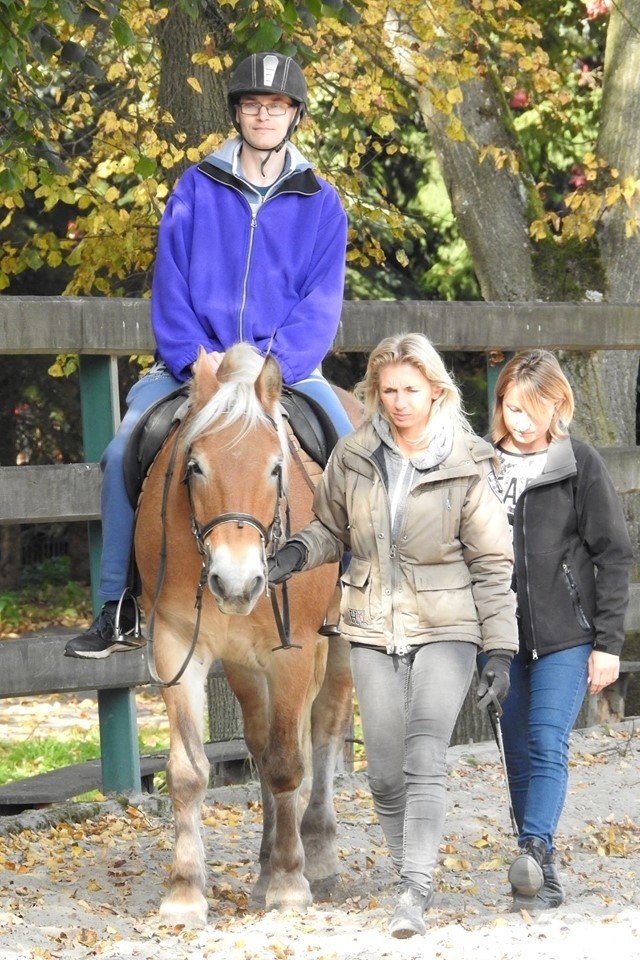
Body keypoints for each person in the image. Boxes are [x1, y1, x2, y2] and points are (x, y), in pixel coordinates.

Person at [65, 51, 351, 660]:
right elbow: (170, 285)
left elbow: (320, 303)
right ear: (238, 113)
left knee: (353, 452)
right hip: (194, 368)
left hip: (284, 372)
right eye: (253, 105)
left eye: (276, 106)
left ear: (294, 115)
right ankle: (117, 605)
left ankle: (356, 591)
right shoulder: (196, 187)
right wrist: (197, 359)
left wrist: (275, 367)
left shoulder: (322, 202)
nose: (264, 115)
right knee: (123, 449)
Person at [267, 333, 518, 938]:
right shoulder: (353, 454)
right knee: (382, 771)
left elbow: (492, 563)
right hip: (372, 624)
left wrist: (500, 649)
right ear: (375, 394)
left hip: (448, 624)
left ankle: (413, 889)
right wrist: (297, 553)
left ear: (436, 391)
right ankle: (412, 871)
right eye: (388, 391)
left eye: (411, 390)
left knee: (425, 751)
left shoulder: (471, 461)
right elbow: (330, 526)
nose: (400, 402)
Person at [486, 349, 633, 912]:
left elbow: (613, 556)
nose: (518, 421)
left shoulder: (579, 463)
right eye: (509, 408)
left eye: (530, 410)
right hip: (497, 637)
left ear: (557, 405)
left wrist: (608, 646)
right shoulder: (482, 464)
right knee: (516, 751)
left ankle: (535, 852)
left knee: (548, 741)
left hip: (566, 637)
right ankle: (536, 869)